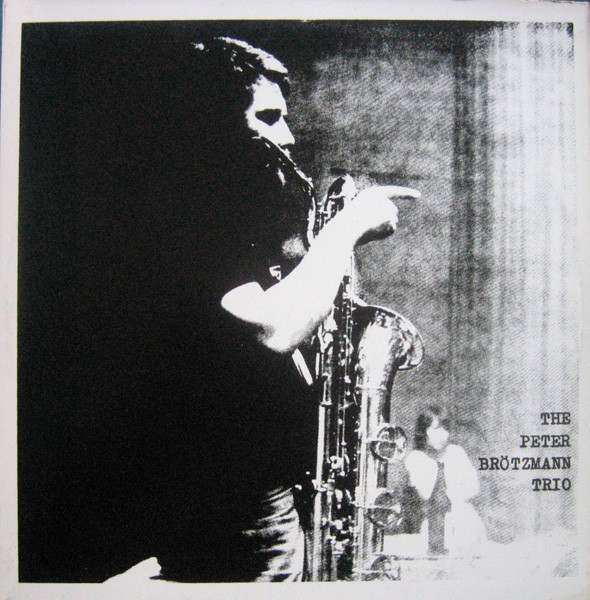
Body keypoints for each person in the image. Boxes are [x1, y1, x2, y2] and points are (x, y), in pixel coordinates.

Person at [131, 36, 421, 583]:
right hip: (237, 503)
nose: (286, 137)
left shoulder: (210, 208)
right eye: (267, 118)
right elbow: (272, 329)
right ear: (211, 127)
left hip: (260, 491)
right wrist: (345, 230)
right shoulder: (190, 212)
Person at [404, 405, 486, 556]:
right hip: (430, 526)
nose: (442, 435)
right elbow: (425, 494)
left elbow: (474, 487)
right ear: (423, 431)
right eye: (436, 429)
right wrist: (440, 469)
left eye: (445, 429)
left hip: (463, 520)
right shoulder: (415, 458)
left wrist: (455, 496)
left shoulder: (456, 452)